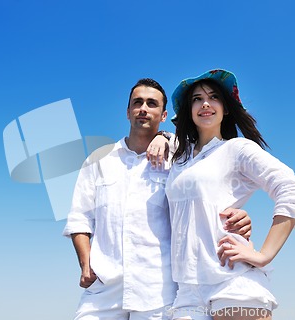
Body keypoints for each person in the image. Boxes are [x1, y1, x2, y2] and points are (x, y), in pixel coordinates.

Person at [62, 78, 253, 320]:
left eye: (151, 104)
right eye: (137, 102)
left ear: (163, 115)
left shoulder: (182, 155)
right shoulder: (99, 159)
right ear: (128, 111)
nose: (143, 108)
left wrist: (237, 214)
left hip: (159, 291)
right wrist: (85, 264)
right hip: (103, 290)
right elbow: (80, 217)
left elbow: (205, 195)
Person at [162, 69, 295, 320]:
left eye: (213, 97)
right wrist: (159, 137)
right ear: (188, 109)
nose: (205, 103)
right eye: (197, 99)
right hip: (187, 291)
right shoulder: (179, 160)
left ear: (226, 108)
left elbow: (292, 189)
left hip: (232, 280)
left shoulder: (237, 149)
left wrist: (263, 255)